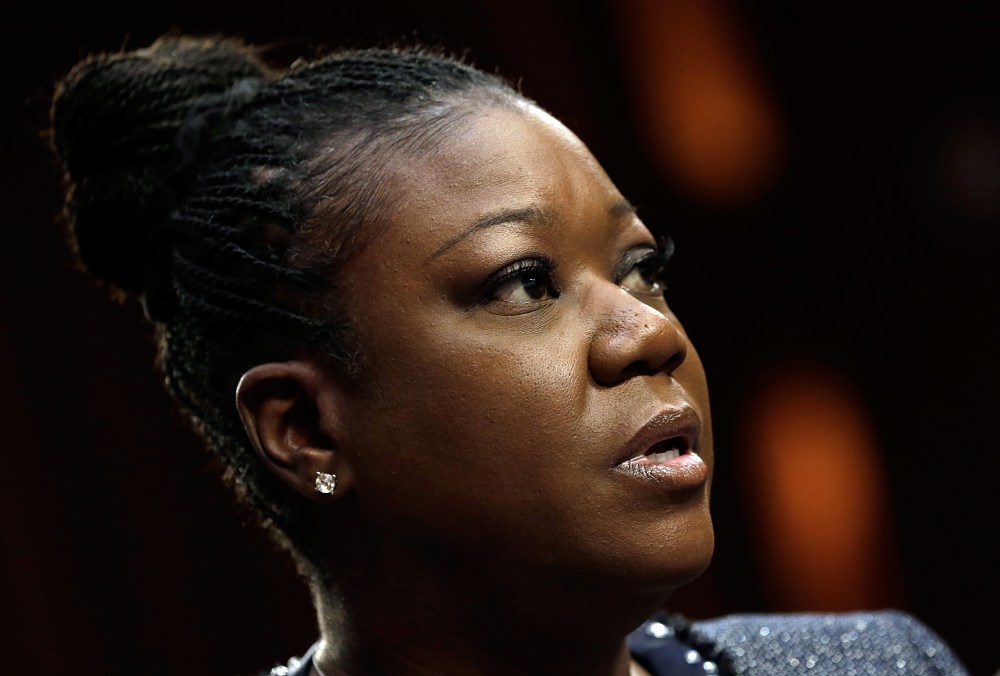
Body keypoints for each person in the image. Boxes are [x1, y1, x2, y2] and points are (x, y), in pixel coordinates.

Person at [50, 36, 968, 676]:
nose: (652, 334)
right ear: (306, 429)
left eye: (642, 269)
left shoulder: (885, 665)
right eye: (525, 282)